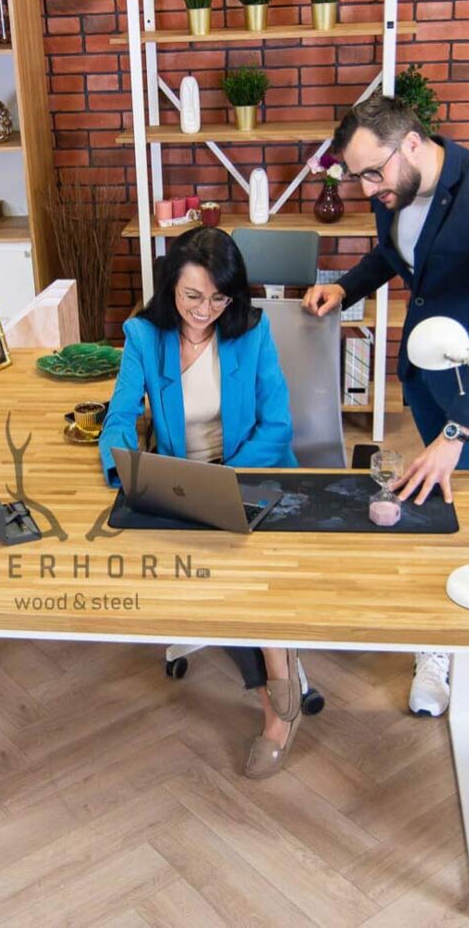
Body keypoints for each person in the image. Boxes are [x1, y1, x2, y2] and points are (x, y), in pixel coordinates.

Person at [301, 94, 469, 717]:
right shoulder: (396, 193)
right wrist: (344, 285)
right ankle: (431, 621)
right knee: (436, 501)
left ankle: (451, 653)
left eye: (372, 173)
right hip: (427, 364)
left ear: (411, 143)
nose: (366, 189)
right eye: (356, 177)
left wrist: (459, 432)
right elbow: (394, 255)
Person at [99, 227, 304, 778]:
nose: (204, 310)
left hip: (251, 476)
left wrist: (227, 479)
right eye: (192, 296)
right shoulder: (144, 336)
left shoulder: (251, 333)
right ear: (170, 289)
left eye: (218, 298)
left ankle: (276, 704)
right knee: (225, 577)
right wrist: (124, 467)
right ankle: (281, 666)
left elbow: (278, 426)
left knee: (247, 579)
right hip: (181, 483)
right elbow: (120, 417)